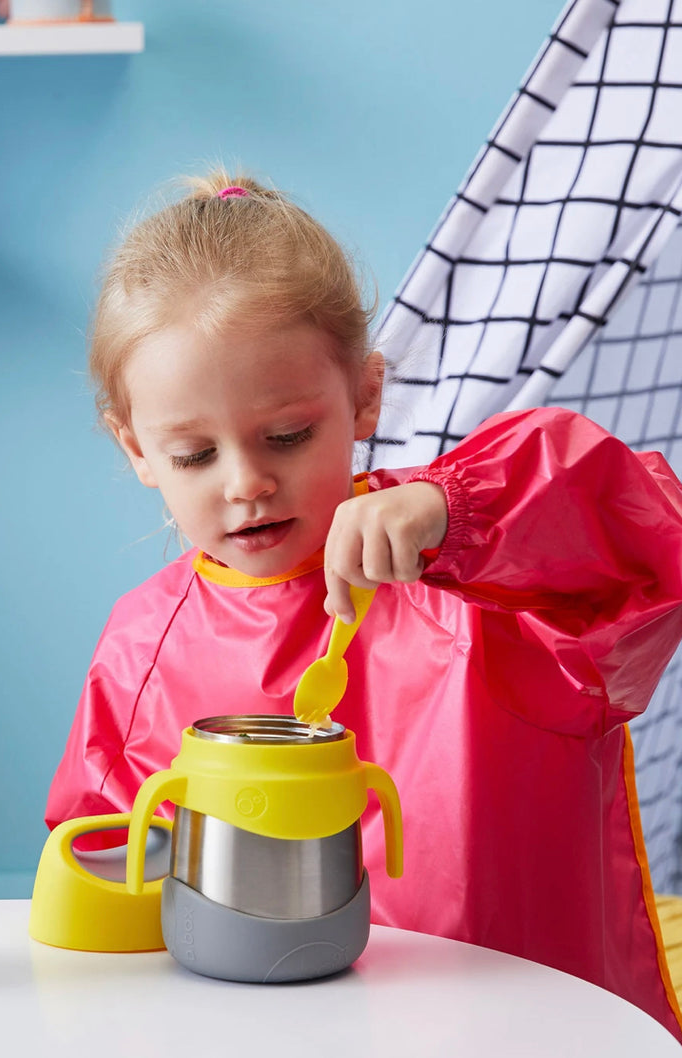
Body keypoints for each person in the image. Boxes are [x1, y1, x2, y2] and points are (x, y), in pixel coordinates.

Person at [45, 171, 682, 1040]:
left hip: (524, 1031)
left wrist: (460, 510)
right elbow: (101, 868)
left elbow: (647, 534)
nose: (247, 484)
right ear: (138, 449)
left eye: (288, 436)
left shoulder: (475, 578)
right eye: (195, 454)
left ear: (366, 397)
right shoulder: (140, 642)